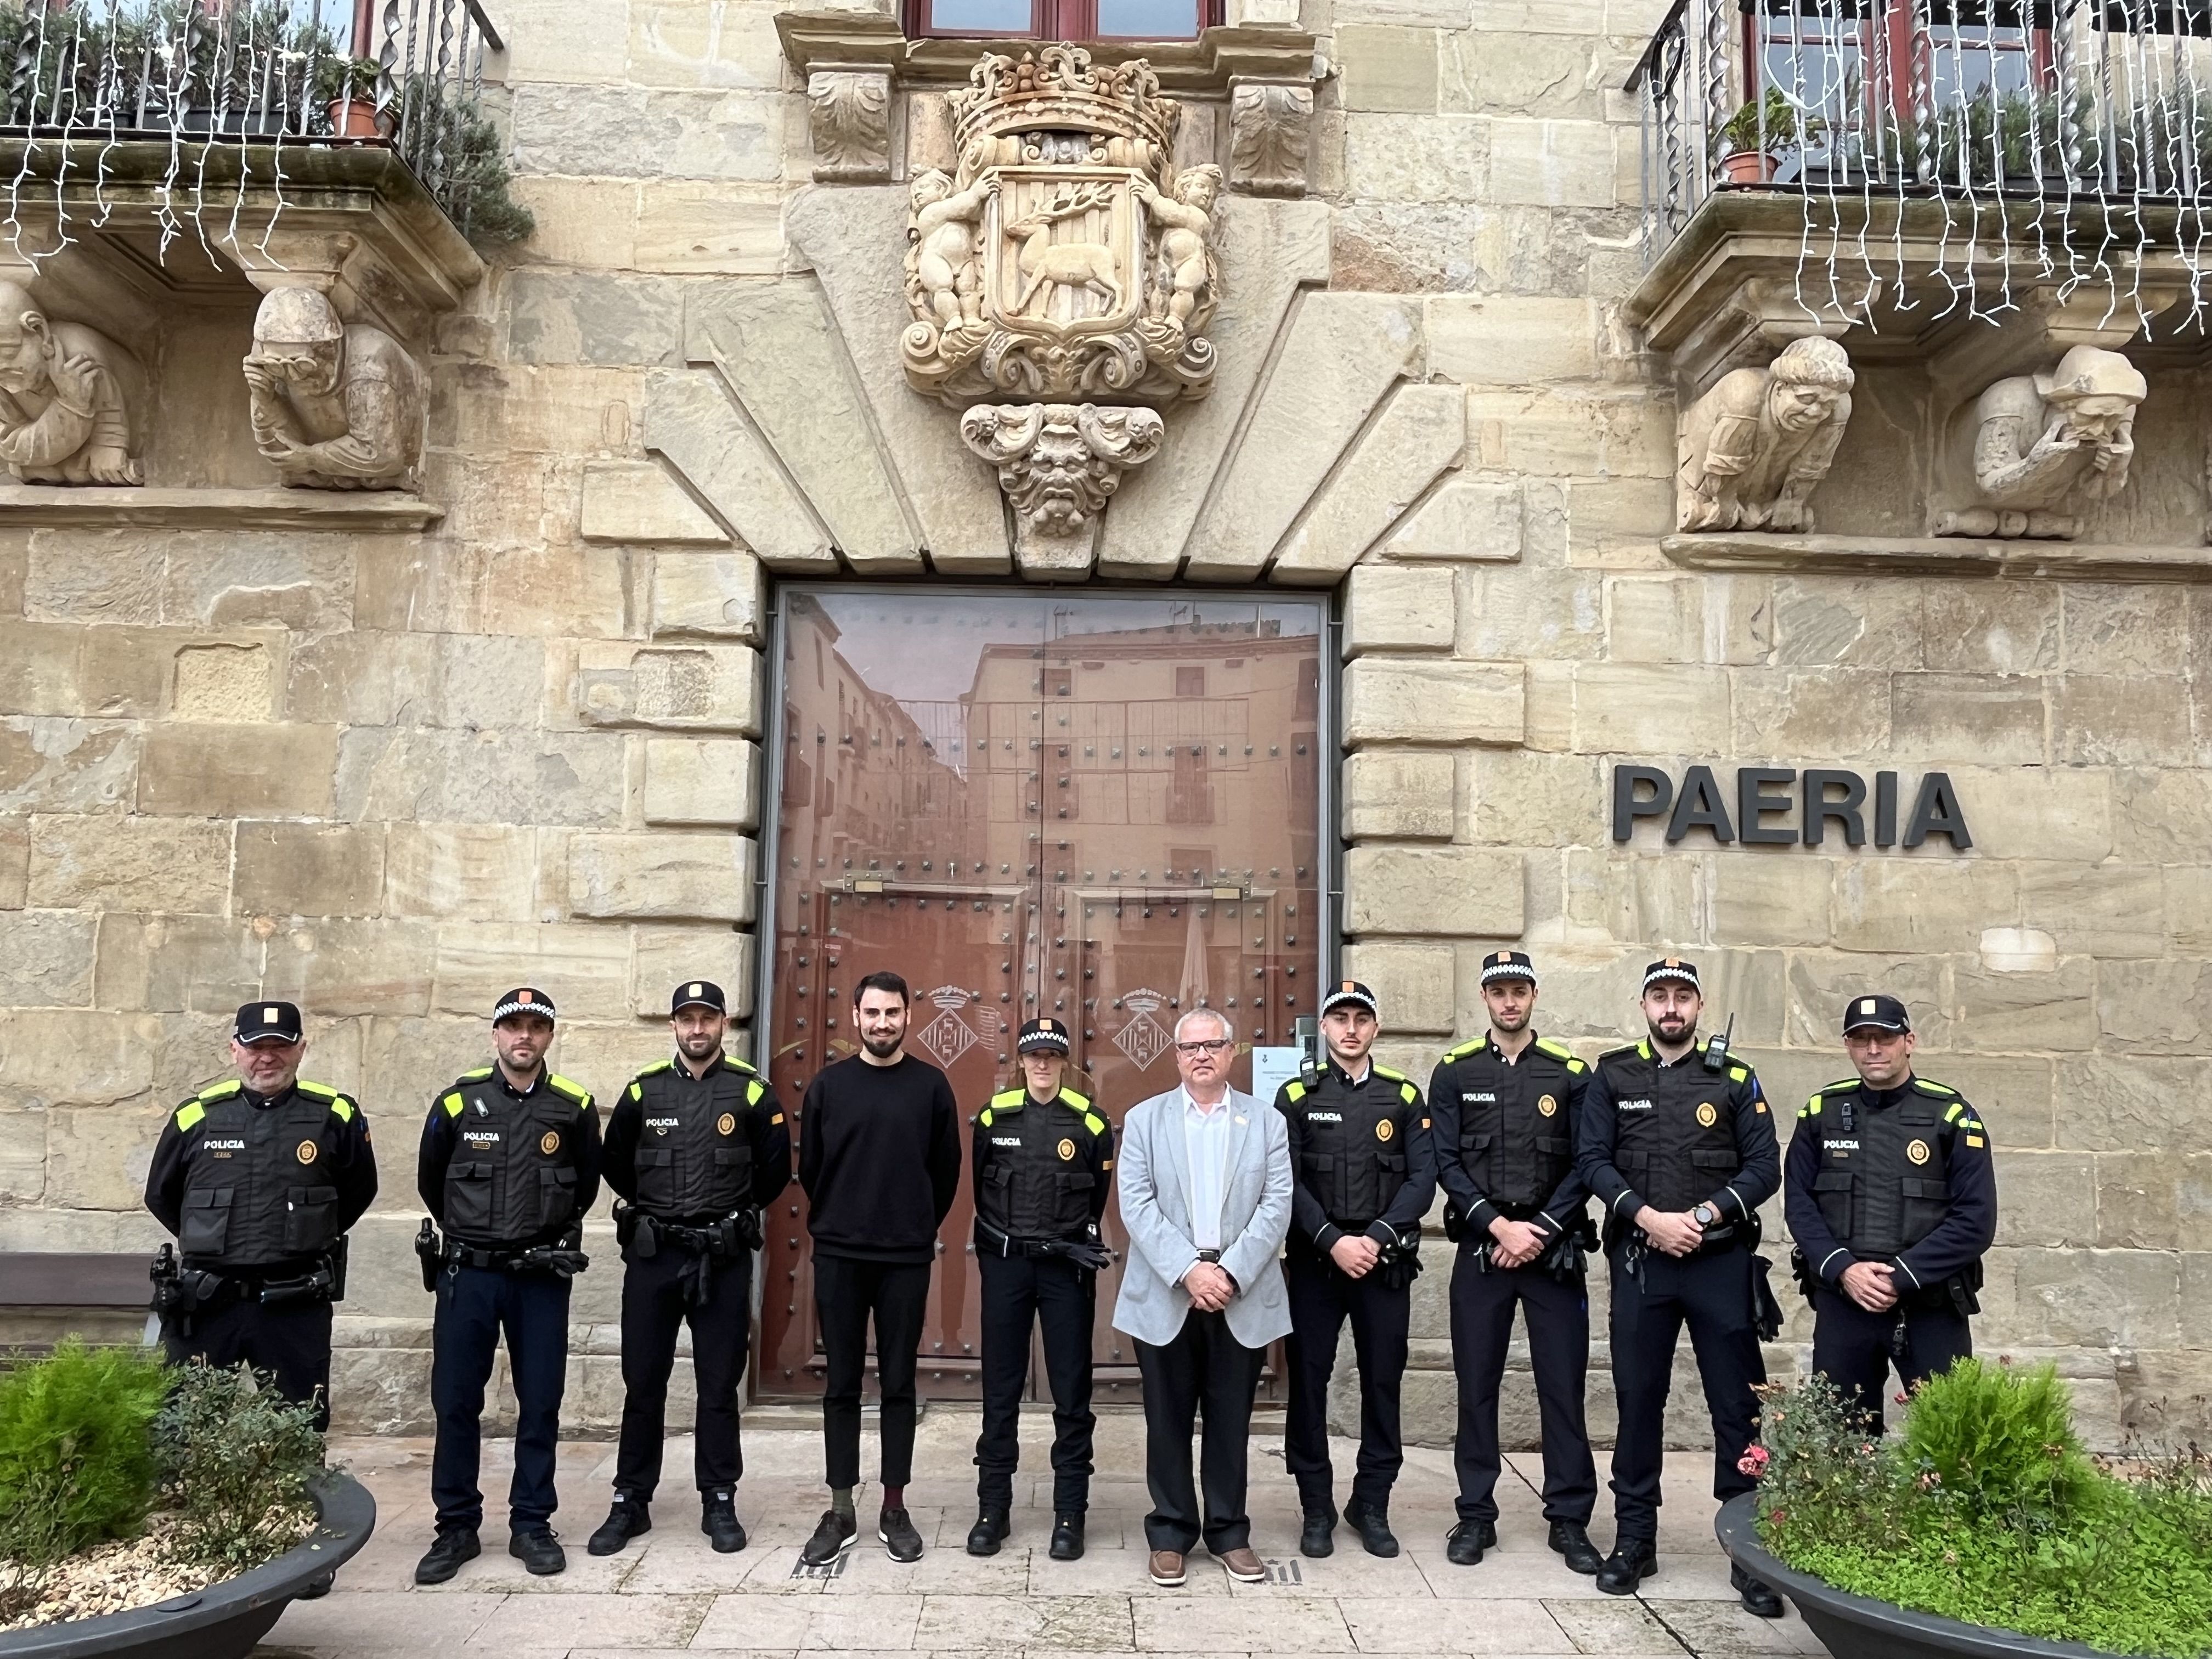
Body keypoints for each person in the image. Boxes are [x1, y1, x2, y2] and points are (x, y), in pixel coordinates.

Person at [1577, 958, 1784, 1617]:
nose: (1672, 1008)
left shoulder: (1733, 1078)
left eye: (1683, 998)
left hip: (1719, 1261)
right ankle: (1636, 1538)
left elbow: (1764, 1167)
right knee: (1639, 1399)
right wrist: (1649, 1219)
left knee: (1738, 1406)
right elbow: (1592, 1161)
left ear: (1698, 1006)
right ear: (1645, 1006)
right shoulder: (1612, 1076)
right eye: (1660, 996)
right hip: (1644, 1261)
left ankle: (1749, 1550)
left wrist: (1700, 1217)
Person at [588, 980, 792, 1559]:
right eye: (687, 1019)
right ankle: (631, 1500)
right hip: (655, 1257)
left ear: (724, 1023)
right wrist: (660, 1212)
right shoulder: (643, 1092)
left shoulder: (751, 1094)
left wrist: (724, 1217)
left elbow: (774, 1173)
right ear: (673, 1026)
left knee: (719, 1385)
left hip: (721, 1258)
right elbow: (615, 1163)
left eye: (707, 1018)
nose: (697, 1029)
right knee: (642, 1383)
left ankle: (719, 1498)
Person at [414, 989, 602, 1585]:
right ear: (495, 1035)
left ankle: (531, 1523)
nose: (524, 1038)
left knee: (541, 1401)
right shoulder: (457, 1103)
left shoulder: (573, 1108)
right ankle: (456, 1526)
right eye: (513, 1027)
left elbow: (587, 1187)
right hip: (468, 1274)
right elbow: (430, 1181)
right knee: (457, 1401)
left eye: (536, 1028)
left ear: (550, 1037)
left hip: (540, 1276)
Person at [1429, 951, 1602, 1575]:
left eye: (1519, 991)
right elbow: (1446, 1162)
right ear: (1484, 998)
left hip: (1552, 1253)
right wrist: (1499, 1226)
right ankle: (1476, 1514)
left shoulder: (1570, 1074)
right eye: (1499, 991)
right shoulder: (1453, 1072)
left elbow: (1589, 1160)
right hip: (1484, 1249)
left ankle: (1569, 1519)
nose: (1509, 1002)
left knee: (1563, 1386)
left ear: (1534, 996)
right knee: (1477, 1388)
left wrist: (1541, 1230)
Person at [1112, 1008, 1293, 1589]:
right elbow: (1135, 1204)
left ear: (1232, 1051)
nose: (1201, 1055)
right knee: (1166, 1420)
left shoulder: (1266, 1122)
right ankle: (1170, 1533)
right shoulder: (1144, 1120)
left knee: (1230, 1421)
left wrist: (1229, 1273)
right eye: (1190, 1047)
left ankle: (1229, 1532)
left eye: (1212, 1044)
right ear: (1176, 1056)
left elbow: (1277, 1205)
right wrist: (1190, 1270)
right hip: (1169, 1292)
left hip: (1238, 1292)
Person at [145, 1000, 376, 1431]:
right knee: (186, 1429)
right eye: (255, 1046)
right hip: (209, 1303)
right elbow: (161, 1195)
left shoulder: (335, 1115)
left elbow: (359, 1191)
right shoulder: (196, 1116)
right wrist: (213, 1241)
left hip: (294, 1302)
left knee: (298, 1430)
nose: (267, 1057)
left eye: (280, 1045)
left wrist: (305, 1238)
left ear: (301, 1049)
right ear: (235, 1049)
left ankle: (295, 1503)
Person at [796, 970, 963, 1566]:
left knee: (898, 1384)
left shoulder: (931, 1088)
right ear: (857, 1017)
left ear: (907, 1017)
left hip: (904, 1259)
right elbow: (812, 1169)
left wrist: (911, 1223)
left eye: (893, 1013)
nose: (883, 1023)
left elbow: (944, 1175)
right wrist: (846, 1218)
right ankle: (841, 1508)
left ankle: (894, 1506)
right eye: (873, 1013)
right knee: (841, 1384)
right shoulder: (828, 1087)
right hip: (840, 1255)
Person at [1274, 980, 1435, 1559]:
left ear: (1376, 1027)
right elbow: (1285, 1182)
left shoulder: (1402, 1097)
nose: (1350, 1028)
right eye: (1339, 1018)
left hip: (1382, 1263)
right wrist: (1331, 1240)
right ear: (1324, 1027)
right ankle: (1315, 1505)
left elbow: (1423, 1179)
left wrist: (1375, 1238)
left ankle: (1372, 1503)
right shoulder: (1296, 1095)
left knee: (1383, 1385)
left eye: (1360, 1018)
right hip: (1319, 1265)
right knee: (1309, 1388)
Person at [1784, 995, 1996, 1429]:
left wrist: (1899, 1277)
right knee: (1840, 1445)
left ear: (1909, 1041)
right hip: (1845, 1302)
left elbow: (1975, 1220)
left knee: (1949, 1437)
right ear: (1849, 1046)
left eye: (1885, 1037)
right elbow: (1800, 1206)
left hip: (1929, 1305)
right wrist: (1844, 1269)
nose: (1874, 1049)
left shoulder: (1951, 1115)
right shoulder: (1821, 1113)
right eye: (1861, 1040)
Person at [966, 1017, 1115, 1562]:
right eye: (1035, 1056)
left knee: (1072, 1394)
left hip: (1065, 1270)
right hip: (1006, 1266)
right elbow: (980, 1187)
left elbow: (1096, 1198)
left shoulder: (1091, 1126)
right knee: (1000, 1391)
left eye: (1053, 1055)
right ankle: (993, 1508)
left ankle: (1070, 1513)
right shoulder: (993, 1117)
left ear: (1065, 1061)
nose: (1044, 1065)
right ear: (1022, 1061)